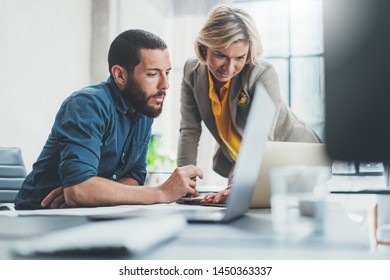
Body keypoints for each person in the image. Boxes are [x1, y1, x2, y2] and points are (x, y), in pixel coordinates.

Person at [15, 29, 203, 210]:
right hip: (37, 215)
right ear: (120, 75)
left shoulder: (143, 108)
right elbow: (79, 190)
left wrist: (93, 193)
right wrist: (161, 192)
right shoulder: (87, 104)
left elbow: (134, 177)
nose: (165, 84)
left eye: (167, 72)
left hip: (89, 214)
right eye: (152, 74)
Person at [177, 5, 320, 204]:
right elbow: (189, 131)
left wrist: (236, 186)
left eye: (240, 58)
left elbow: (260, 140)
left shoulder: (261, 74)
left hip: (296, 158)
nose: (229, 67)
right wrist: (184, 184)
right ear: (204, 47)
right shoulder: (191, 73)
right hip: (246, 164)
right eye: (221, 55)